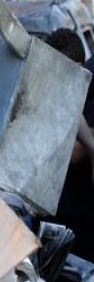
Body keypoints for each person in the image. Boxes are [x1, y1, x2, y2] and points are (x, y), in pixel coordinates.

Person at [44, 28, 94, 262]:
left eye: (59, 69)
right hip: (53, 213)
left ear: (75, 66)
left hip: (79, 220)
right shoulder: (54, 96)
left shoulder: (87, 98)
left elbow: (73, 155)